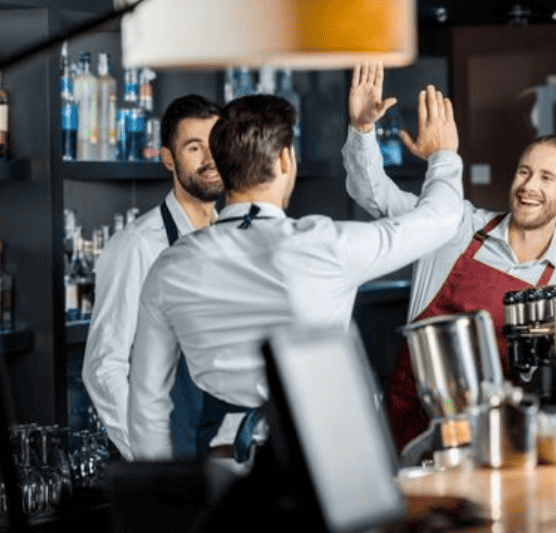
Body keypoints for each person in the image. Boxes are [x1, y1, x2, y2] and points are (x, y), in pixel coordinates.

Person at [126, 63, 464, 462]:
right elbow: (442, 219)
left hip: (222, 459)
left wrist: (162, 490)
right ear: (286, 160)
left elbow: (146, 401)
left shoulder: (170, 266)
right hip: (324, 455)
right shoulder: (324, 245)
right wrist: (443, 155)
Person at [344, 70, 556, 450]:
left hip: (492, 442)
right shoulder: (453, 223)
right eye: (524, 172)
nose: (528, 186)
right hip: (407, 426)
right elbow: (373, 195)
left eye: (546, 178)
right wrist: (362, 130)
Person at [82, 94, 242, 461]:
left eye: (216, 144)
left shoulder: (232, 237)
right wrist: (153, 458)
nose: (210, 159)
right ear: (168, 158)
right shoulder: (137, 245)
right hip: (174, 456)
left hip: (225, 451)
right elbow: (104, 368)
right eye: (194, 148)